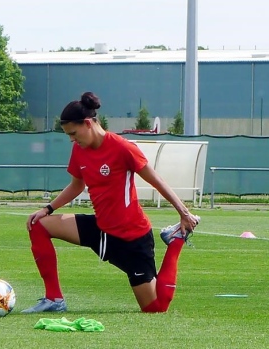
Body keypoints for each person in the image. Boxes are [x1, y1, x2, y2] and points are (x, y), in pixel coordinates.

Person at [22, 92, 200, 314]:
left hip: (132, 237)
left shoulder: (123, 148)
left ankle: (175, 241)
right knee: (38, 225)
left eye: (73, 133)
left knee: (156, 308)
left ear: (88, 123)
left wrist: (184, 213)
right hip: (100, 229)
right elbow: (76, 186)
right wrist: (47, 209)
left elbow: (157, 181)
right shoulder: (79, 149)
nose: (71, 139)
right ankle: (54, 299)